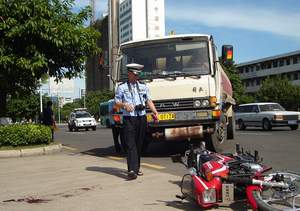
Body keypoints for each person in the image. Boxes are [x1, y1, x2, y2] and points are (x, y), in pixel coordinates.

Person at [115, 63, 158, 180]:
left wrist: (154, 111)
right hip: (129, 118)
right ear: (129, 74)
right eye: (134, 74)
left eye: (137, 74)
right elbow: (117, 102)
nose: (136, 77)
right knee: (130, 144)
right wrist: (124, 105)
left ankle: (137, 168)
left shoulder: (143, 86)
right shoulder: (121, 87)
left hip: (141, 117)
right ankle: (131, 170)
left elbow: (148, 100)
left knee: (139, 144)